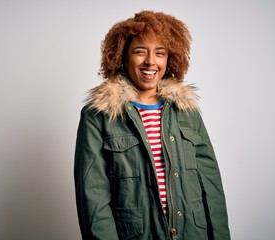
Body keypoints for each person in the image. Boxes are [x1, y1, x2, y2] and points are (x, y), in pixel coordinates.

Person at [74, 10, 230, 240]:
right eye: (140, 52)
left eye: (160, 53)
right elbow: (93, 197)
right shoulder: (99, 115)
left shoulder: (186, 111)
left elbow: (211, 183)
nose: (151, 61)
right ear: (122, 57)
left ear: (170, 58)